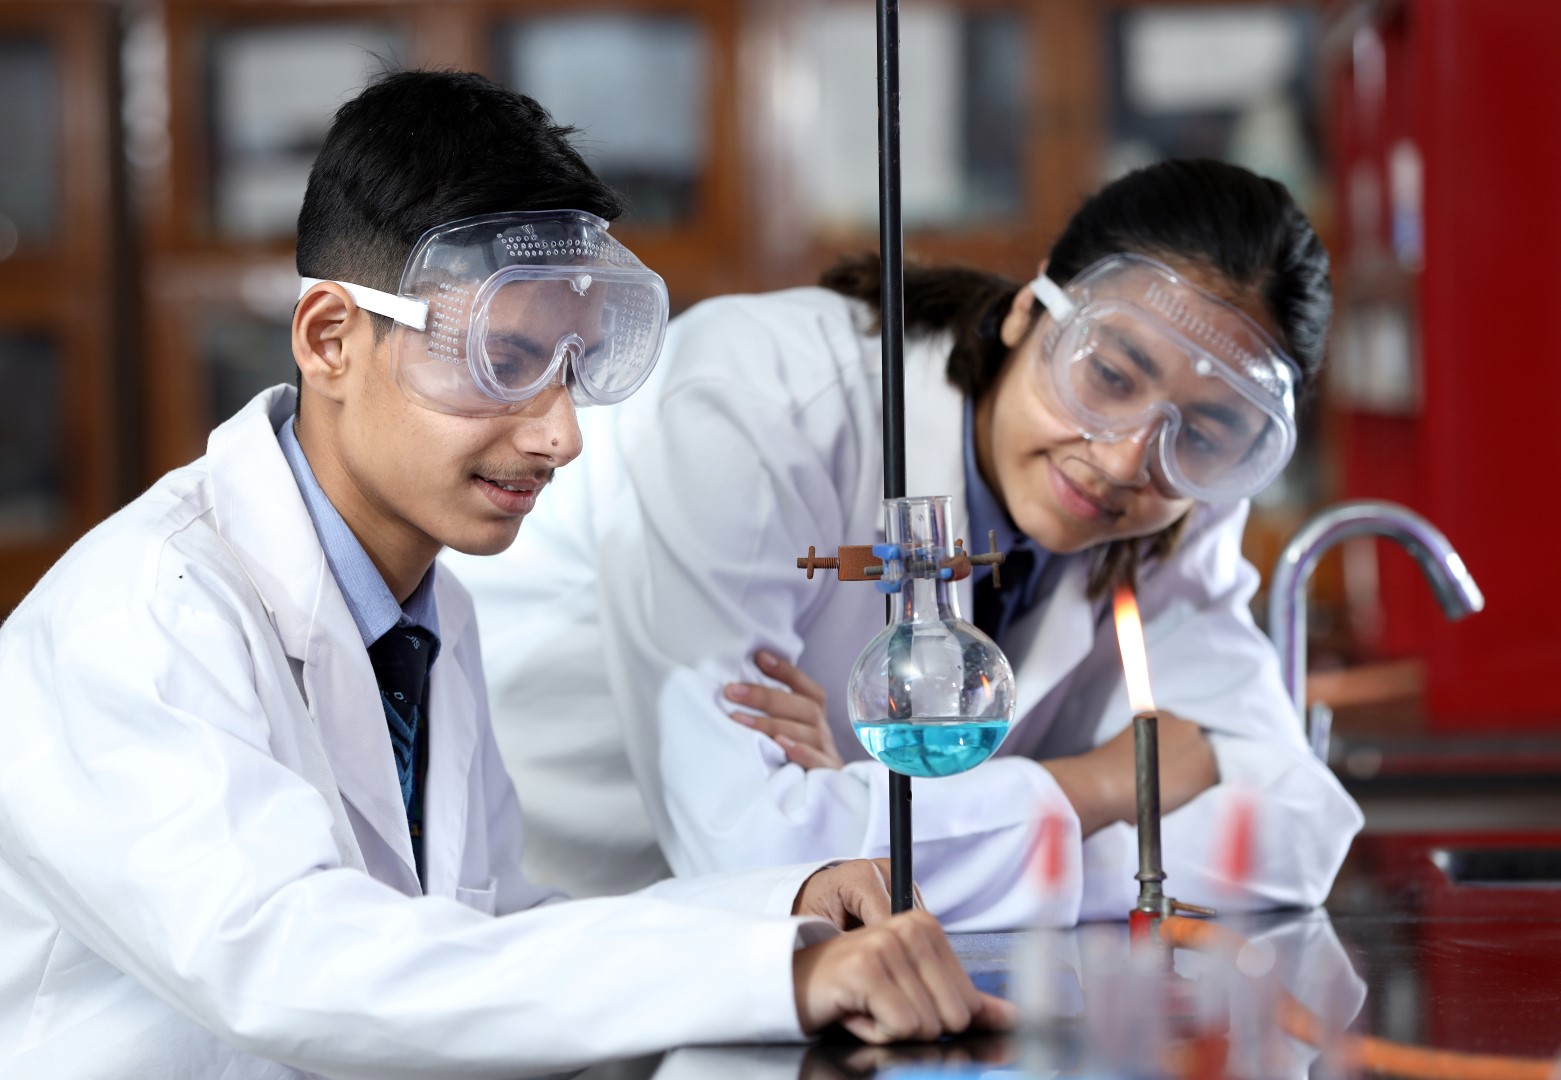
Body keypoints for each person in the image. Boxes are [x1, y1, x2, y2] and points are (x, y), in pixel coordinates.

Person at [0, 70, 1013, 1078]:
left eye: (570, 368)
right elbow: (293, 964)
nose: (560, 434)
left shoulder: (424, 613)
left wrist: (783, 909)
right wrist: (770, 977)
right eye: (502, 361)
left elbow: (487, 932)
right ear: (330, 339)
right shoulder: (143, 617)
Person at [445, 158, 1365, 928]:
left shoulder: (1176, 504)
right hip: (563, 910)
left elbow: (1297, 824)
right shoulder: (762, 399)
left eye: (1205, 434)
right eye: (1110, 373)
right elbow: (751, 854)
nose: (1128, 458)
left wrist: (871, 812)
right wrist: (1102, 790)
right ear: (1029, 310)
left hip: (836, 965)